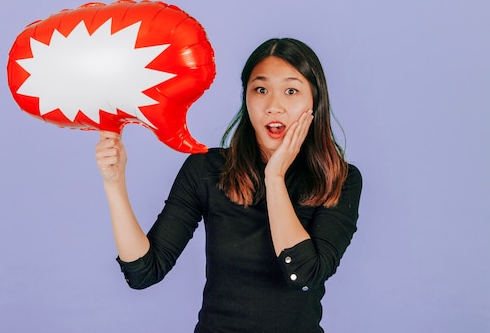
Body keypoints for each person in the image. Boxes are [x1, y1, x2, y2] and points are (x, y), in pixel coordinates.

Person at [95, 38, 362, 333]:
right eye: (261, 89)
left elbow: (305, 274)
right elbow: (144, 272)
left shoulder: (339, 179)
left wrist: (274, 178)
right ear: (246, 98)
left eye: (291, 90)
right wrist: (114, 182)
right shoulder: (206, 170)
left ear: (315, 100)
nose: (274, 106)